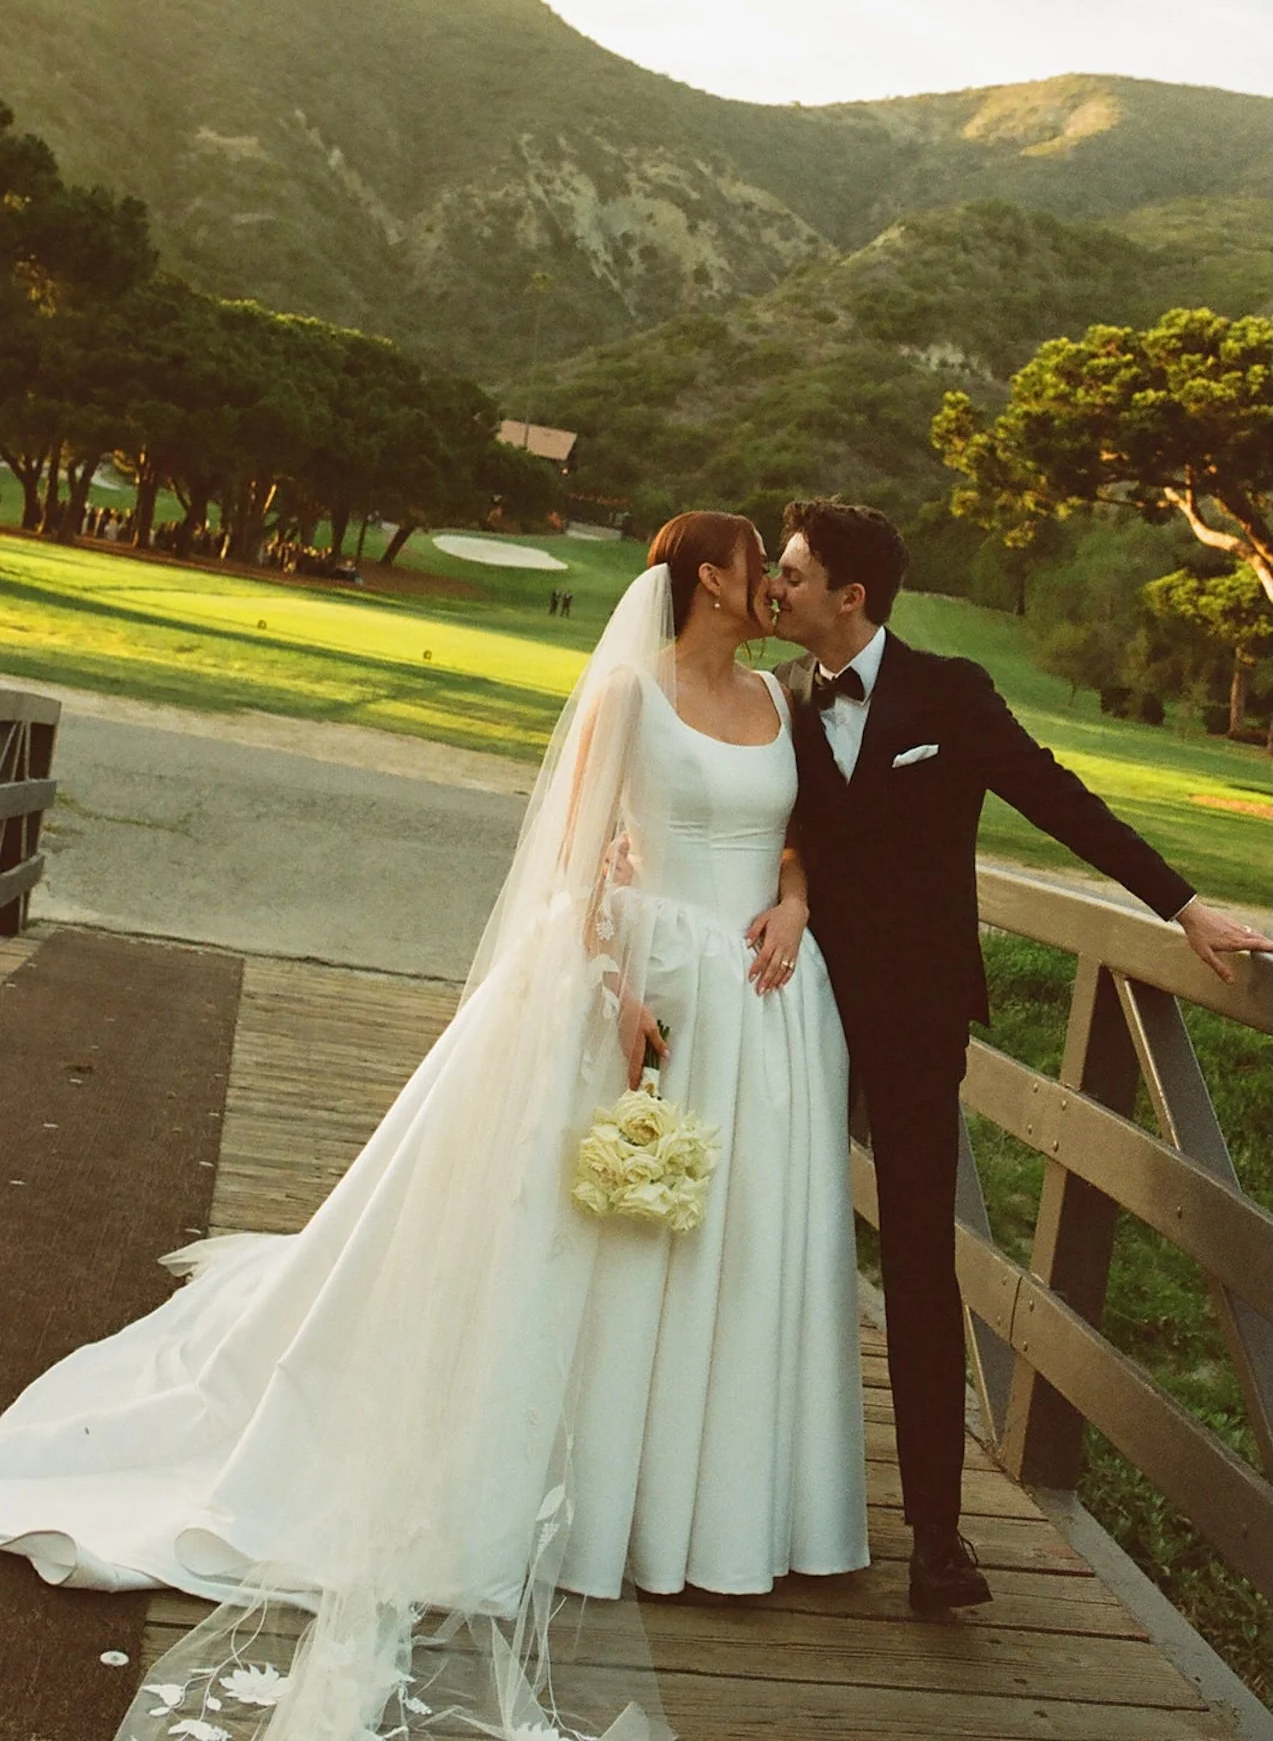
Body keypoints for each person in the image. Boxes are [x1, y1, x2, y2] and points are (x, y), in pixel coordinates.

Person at [0, 511, 869, 1741]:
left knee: (718, 1253)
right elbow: (575, 865)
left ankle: (695, 1509)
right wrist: (622, 999)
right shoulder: (630, 690)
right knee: (599, 1240)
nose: (769, 587)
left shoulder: (781, 704)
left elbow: (791, 831)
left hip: (758, 1002)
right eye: (752, 568)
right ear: (710, 580)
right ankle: (577, 1497)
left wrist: (789, 897)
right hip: (644, 984)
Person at [770, 496, 1273, 1614]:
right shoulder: (780, 701)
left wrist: (1183, 903)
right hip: (792, 1013)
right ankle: (756, 1498)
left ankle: (937, 1542)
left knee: (915, 1259)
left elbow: (1056, 800)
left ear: (850, 597)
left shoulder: (948, 691)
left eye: (793, 572)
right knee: (770, 1239)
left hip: (913, 1020)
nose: (775, 585)